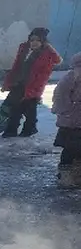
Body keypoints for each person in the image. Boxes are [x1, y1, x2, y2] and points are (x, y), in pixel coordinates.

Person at [0, 28, 63, 138]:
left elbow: (58, 60)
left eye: (38, 40)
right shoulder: (24, 50)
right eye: (32, 39)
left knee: (30, 111)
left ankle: (29, 129)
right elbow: (16, 66)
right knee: (15, 109)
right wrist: (8, 81)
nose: (34, 42)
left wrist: (49, 46)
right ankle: (11, 130)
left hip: (34, 87)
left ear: (43, 42)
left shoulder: (47, 53)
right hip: (18, 84)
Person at [53, 53, 81, 187]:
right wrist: (68, 111)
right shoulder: (72, 76)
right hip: (72, 121)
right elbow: (60, 95)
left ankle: (76, 175)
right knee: (70, 149)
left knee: (76, 149)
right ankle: (65, 175)